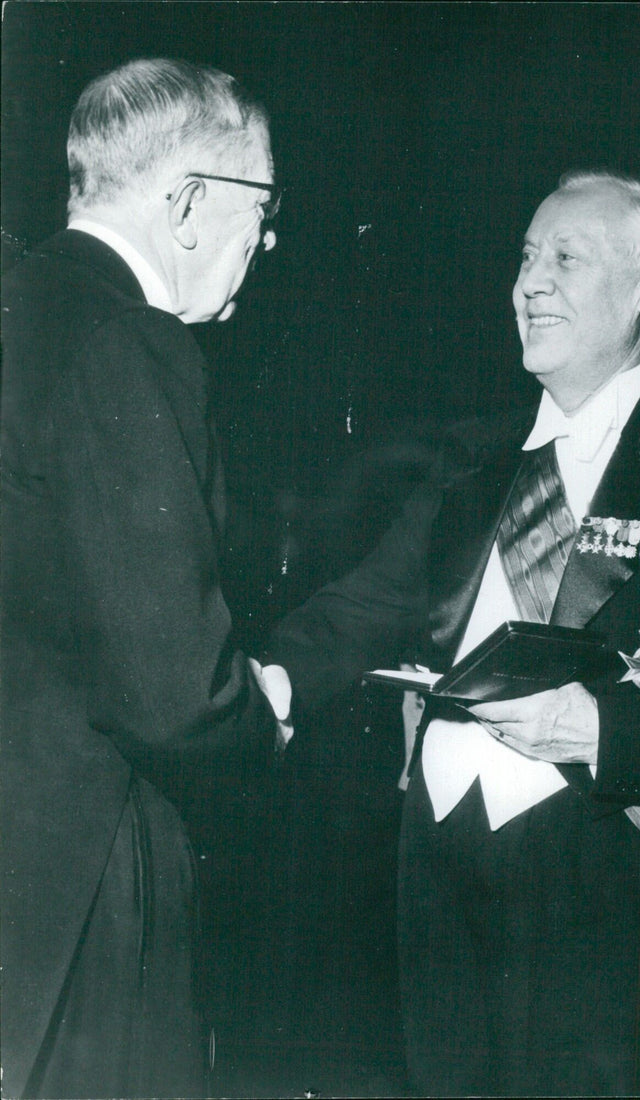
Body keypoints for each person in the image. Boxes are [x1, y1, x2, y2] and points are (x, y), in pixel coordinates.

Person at [263, 170, 640, 1096]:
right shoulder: (475, 454)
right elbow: (364, 605)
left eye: (564, 258)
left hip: (602, 876)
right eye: (524, 258)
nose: (529, 283)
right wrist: (261, 683)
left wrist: (604, 733)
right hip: (436, 853)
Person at [1, 58, 292, 1099]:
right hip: (86, 865)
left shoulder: (21, 304)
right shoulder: (129, 342)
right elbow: (175, 694)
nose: (267, 239)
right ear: (184, 205)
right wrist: (261, 716)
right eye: (259, 207)